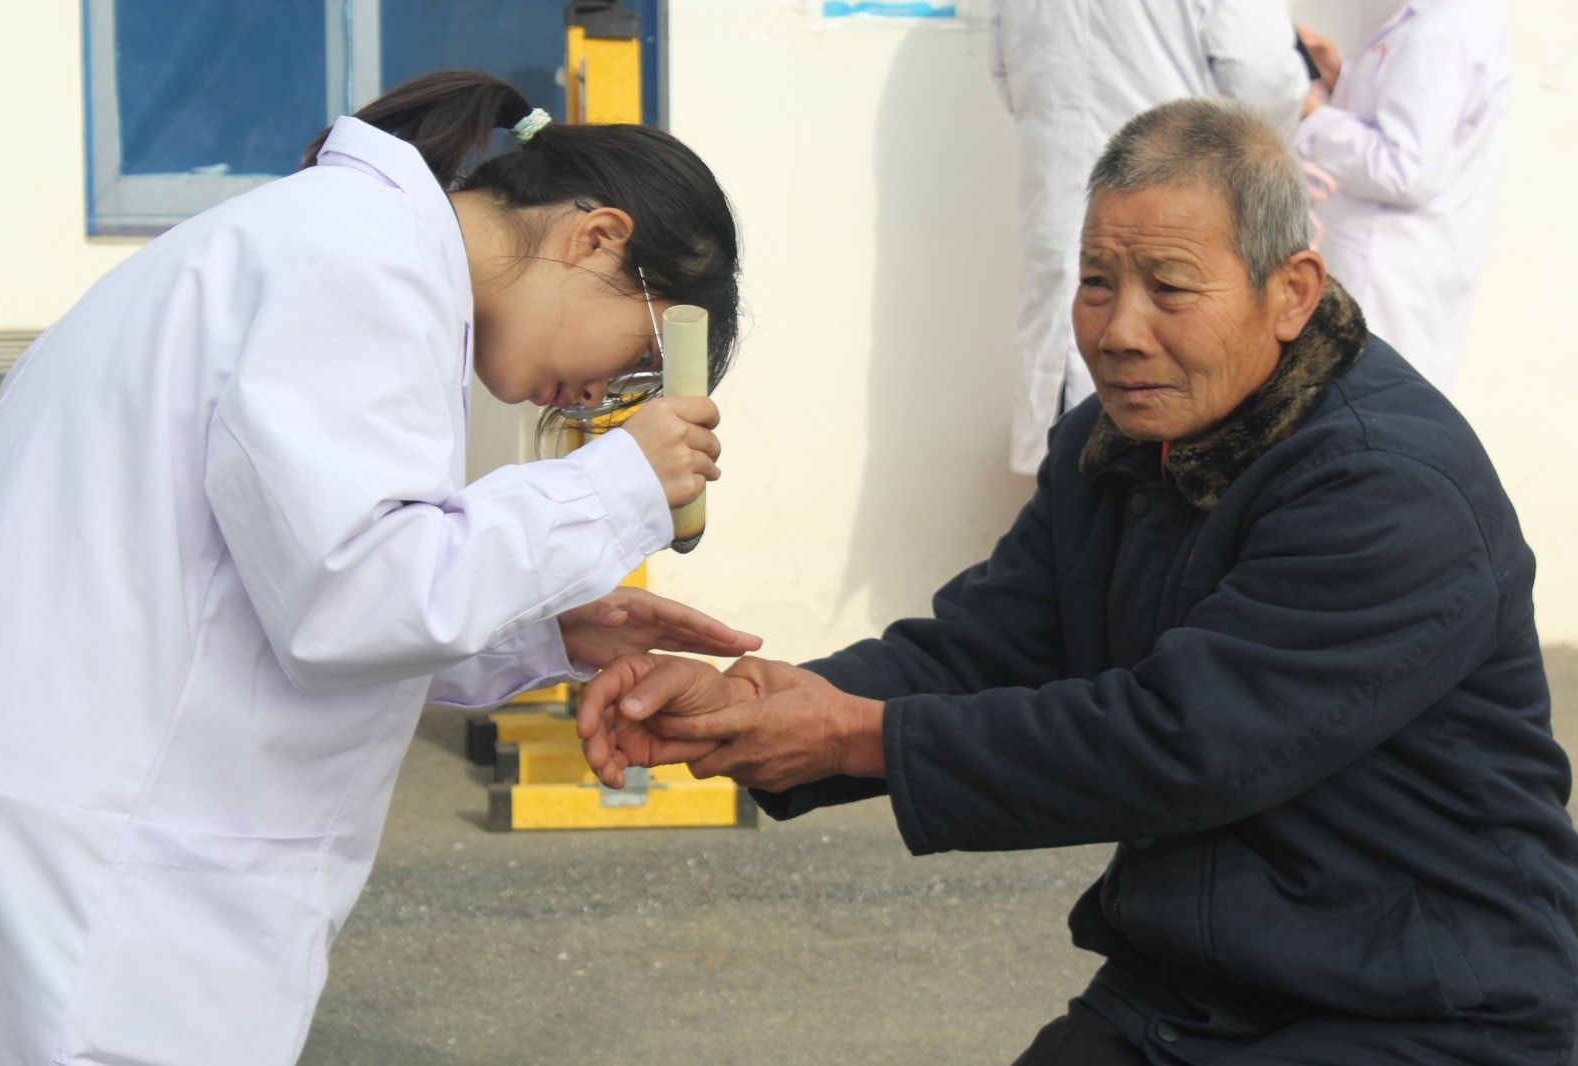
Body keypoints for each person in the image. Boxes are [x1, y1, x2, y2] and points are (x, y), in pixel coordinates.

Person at [579, 100, 1578, 1064]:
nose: (1119, 330)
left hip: (1424, 1010)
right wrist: (757, 704)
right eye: (1097, 282)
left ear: (1292, 292)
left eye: (1169, 288)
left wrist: (849, 734)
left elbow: (1184, 741)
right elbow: (988, 648)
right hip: (1189, 996)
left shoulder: (1386, 486)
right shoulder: (1115, 443)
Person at [0, 70, 761, 1066]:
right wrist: (616, 487)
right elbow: (350, 598)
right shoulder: (364, 268)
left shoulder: (336, 245)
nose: (606, 395)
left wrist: (543, 627)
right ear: (597, 237)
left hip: (93, 827)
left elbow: (272, 589)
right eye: (643, 357)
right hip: (114, 872)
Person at [989, 0, 1310, 475]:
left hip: (1065, 234)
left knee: (1075, 455)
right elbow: (1262, 81)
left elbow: (1006, 75)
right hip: (1188, 225)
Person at [1294, 1, 1512, 394]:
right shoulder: (1444, 19)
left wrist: (1312, 114)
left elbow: (1404, 168)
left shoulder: (1445, 29)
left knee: (1366, 401)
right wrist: (1341, 78)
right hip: (1394, 272)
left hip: (1387, 281)